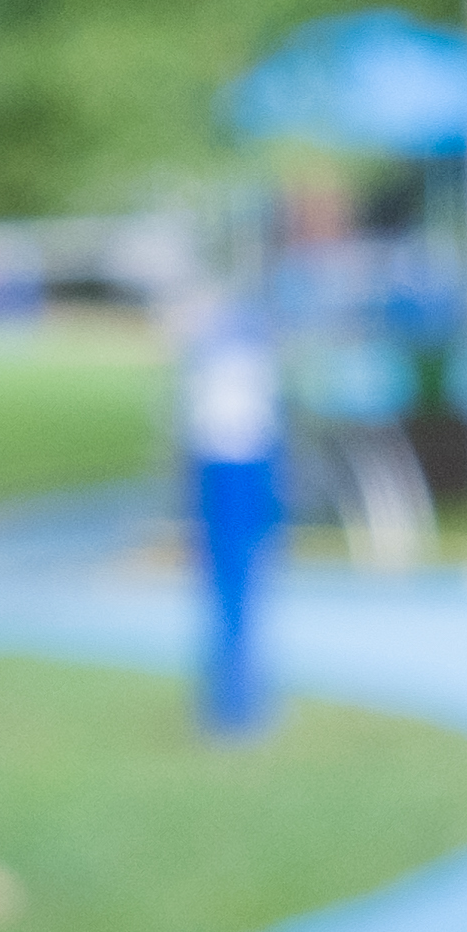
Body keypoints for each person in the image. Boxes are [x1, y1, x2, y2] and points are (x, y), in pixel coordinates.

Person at [181, 299, 289, 740]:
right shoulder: (231, 354)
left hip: (237, 470)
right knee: (230, 589)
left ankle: (239, 700)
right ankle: (231, 701)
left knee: (239, 588)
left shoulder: (232, 354)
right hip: (227, 471)